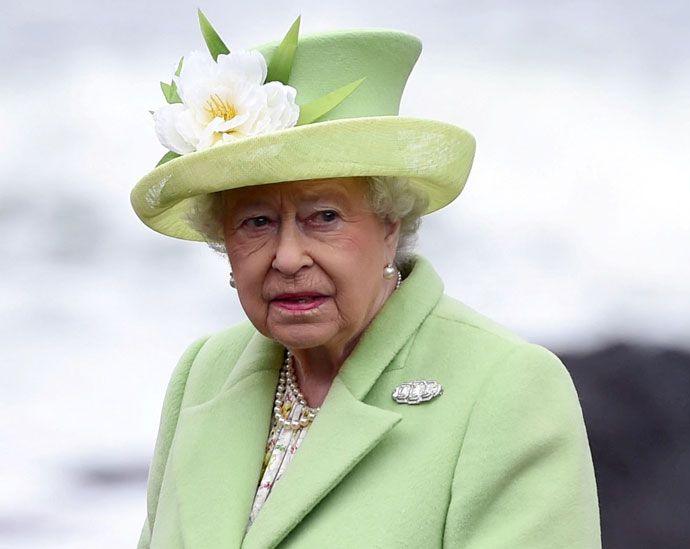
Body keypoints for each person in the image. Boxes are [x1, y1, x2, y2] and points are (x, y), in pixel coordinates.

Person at [131, 14, 601, 548]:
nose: (287, 257)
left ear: (389, 223)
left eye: (324, 216)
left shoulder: (507, 388)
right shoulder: (203, 374)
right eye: (256, 221)